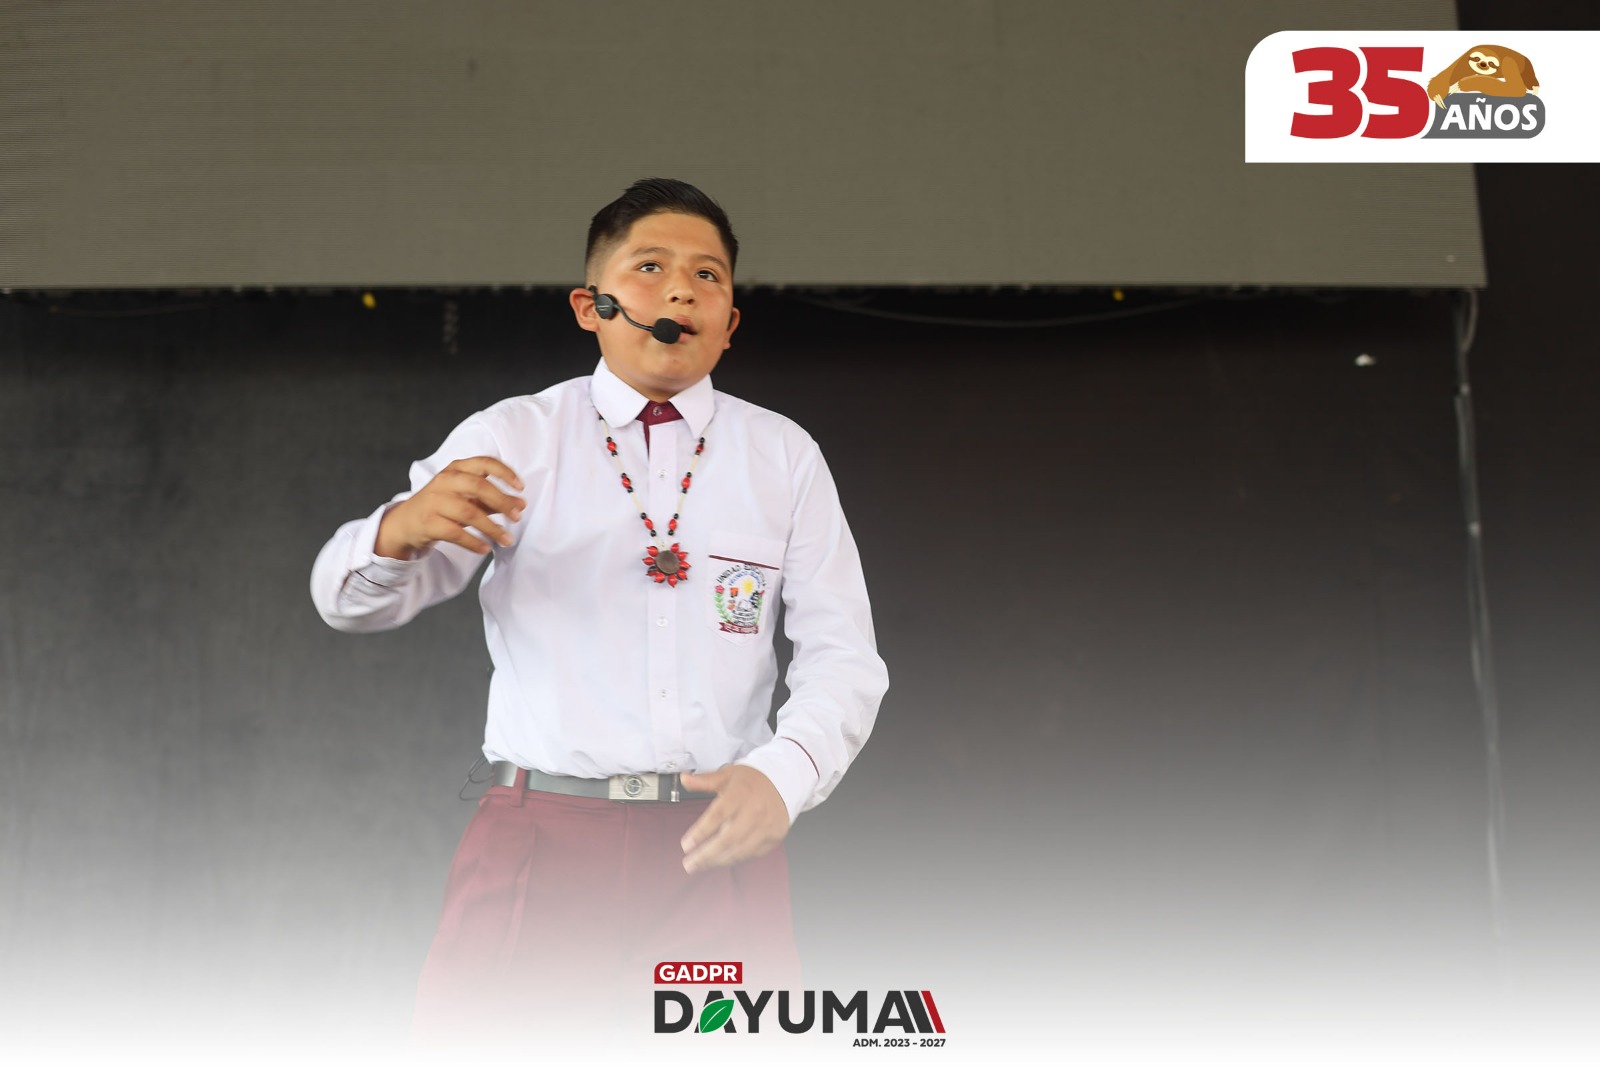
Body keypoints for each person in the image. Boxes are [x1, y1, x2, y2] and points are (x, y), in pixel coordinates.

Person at [309, 178, 888, 1041]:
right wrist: (396, 533)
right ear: (591, 306)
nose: (681, 291)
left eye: (708, 276)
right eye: (650, 267)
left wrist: (785, 775)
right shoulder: (515, 439)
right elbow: (346, 604)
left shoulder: (783, 457)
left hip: (714, 847)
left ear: (730, 322)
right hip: (542, 839)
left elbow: (844, 657)